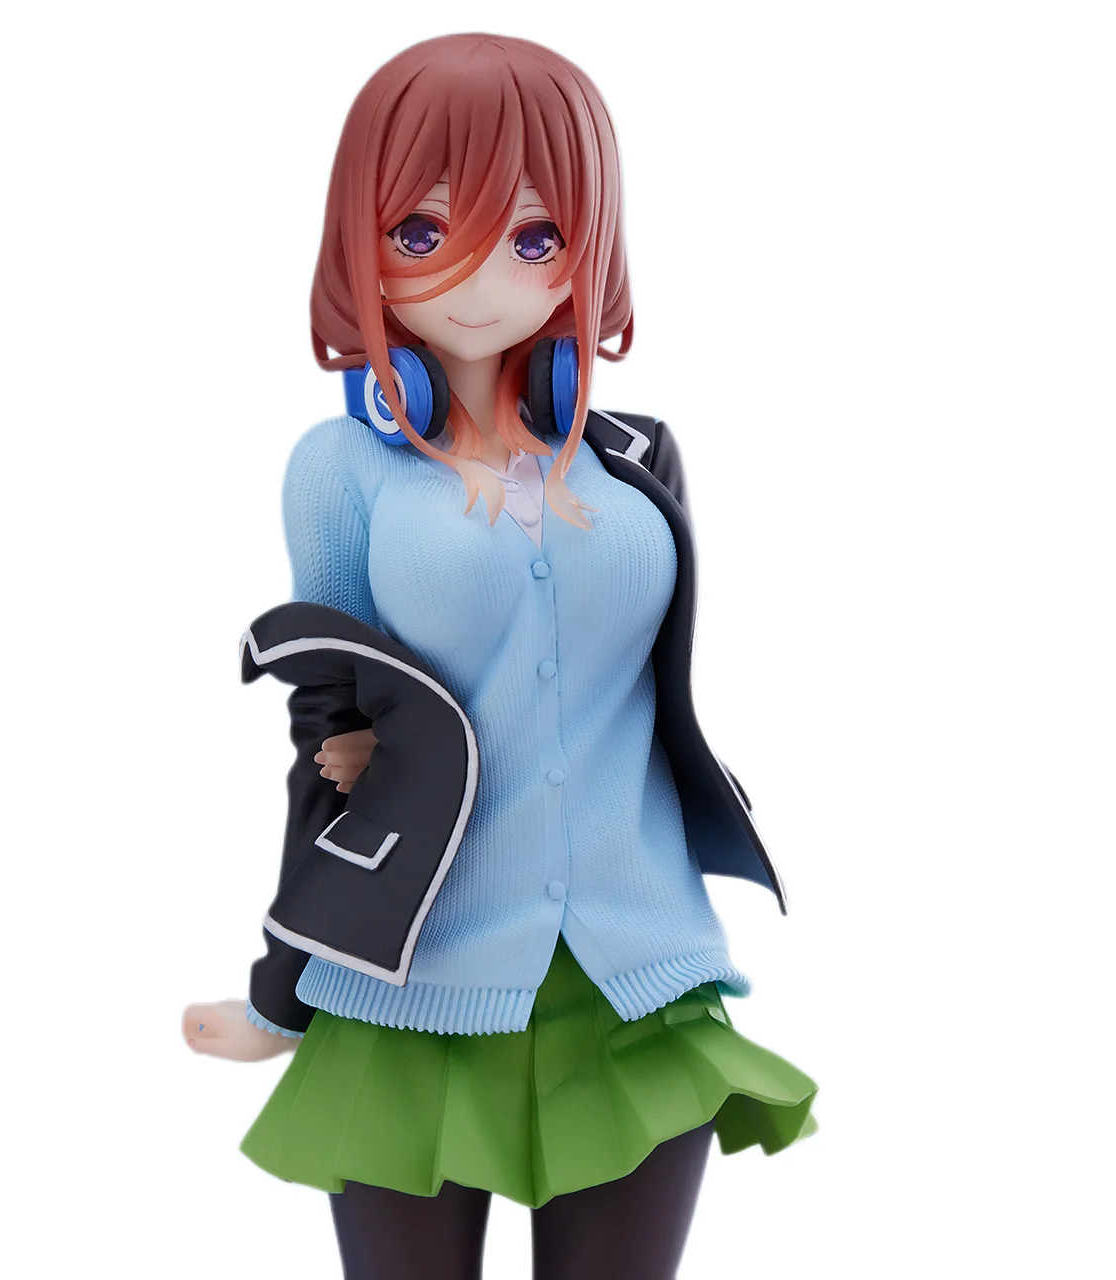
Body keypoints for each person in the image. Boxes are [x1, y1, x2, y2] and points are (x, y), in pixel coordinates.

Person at [184, 33, 817, 1280]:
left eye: (533, 237)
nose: (477, 275)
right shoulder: (342, 469)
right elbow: (330, 737)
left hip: (639, 972)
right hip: (413, 978)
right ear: (357, 238)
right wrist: (280, 983)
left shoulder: (633, 457)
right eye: (422, 232)